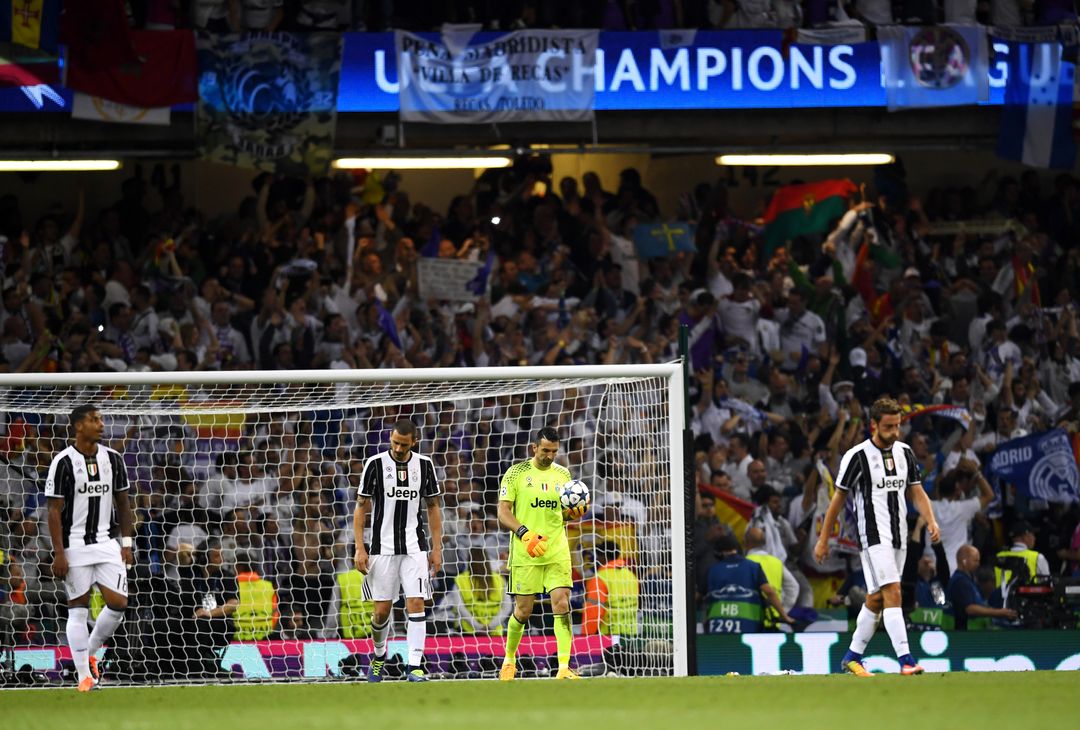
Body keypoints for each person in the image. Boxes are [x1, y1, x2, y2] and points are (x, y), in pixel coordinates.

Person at [814, 397, 940, 677]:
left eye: (897, 426)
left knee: (876, 599)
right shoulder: (856, 456)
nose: (894, 432)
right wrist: (823, 539)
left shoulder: (905, 452)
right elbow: (836, 500)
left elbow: (916, 491)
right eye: (888, 426)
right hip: (872, 537)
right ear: (874, 425)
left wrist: (930, 519)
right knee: (893, 592)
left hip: (899, 537)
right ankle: (906, 660)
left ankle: (851, 657)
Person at [45, 405, 135, 692]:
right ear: (78, 426)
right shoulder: (63, 462)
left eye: (101, 418)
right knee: (78, 610)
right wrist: (59, 553)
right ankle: (84, 676)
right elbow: (54, 511)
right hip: (74, 546)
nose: (101, 423)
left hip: (107, 542)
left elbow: (123, 503)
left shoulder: (114, 459)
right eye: (94, 420)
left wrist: (127, 543)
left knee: (119, 603)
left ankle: (92, 653)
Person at [353, 419, 443, 683]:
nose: (398, 448)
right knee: (381, 611)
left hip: (415, 547)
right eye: (394, 442)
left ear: (414, 442)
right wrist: (360, 547)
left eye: (403, 444)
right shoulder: (375, 464)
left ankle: (414, 665)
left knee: (416, 602)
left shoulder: (424, 465)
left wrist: (437, 548)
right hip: (382, 548)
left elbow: (433, 507)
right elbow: (361, 506)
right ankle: (380, 656)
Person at [496, 426, 583, 680]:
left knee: (562, 603)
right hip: (527, 552)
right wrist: (524, 533)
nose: (550, 455)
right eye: (545, 450)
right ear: (534, 448)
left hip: (556, 549)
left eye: (554, 451)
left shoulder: (563, 474)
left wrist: (575, 513)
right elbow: (503, 512)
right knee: (523, 611)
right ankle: (509, 660)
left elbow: (565, 513)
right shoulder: (517, 473)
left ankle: (564, 667)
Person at [704, 534, 793, 634]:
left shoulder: (712, 570)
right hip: (748, 625)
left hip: (717, 626)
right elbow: (769, 591)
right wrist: (784, 616)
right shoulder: (753, 567)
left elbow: (704, 599)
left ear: (719, 552)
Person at [949, 545, 1017, 630]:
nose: (978, 564)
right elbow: (970, 609)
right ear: (964, 561)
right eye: (975, 561)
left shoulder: (969, 580)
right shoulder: (961, 582)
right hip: (964, 634)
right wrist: (999, 612)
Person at [582, 540, 640, 638]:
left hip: (609, 637)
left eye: (598, 555)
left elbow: (593, 612)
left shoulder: (600, 578)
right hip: (632, 634)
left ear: (603, 557)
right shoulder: (630, 575)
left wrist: (586, 636)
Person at [994, 521, 1050, 598]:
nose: (1034, 538)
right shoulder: (1037, 557)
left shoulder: (999, 556)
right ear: (1025, 536)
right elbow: (1047, 584)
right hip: (1028, 603)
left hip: (999, 604)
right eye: (1032, 534)